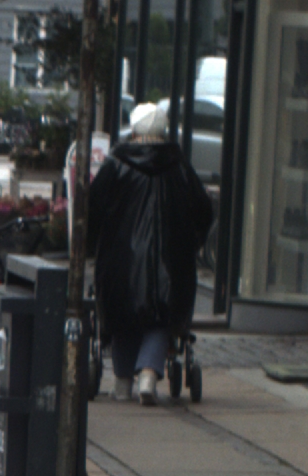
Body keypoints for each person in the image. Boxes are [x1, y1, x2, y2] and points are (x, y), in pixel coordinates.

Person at [88, 102, 214, 404]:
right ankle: (148, 372)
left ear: (133, 130)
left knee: (122, 315)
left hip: (121, 259)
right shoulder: (179, 166)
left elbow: (93, 208)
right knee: (161, 316)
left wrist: (93, 244)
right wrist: (193, 241)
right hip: (171, 260)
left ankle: (122, 381)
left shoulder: (116, 164)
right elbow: (203, 209)